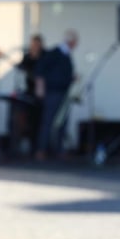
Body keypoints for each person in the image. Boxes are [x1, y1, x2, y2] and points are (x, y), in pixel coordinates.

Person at [34, 29, 78, 160]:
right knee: (48, 122)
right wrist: (40, 87)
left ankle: (59, 150)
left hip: (64, 93)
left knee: (62, 123)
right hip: (53, 92)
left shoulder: (67, 55)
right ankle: (41, 149)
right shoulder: (55, 53)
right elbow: (39, 70)